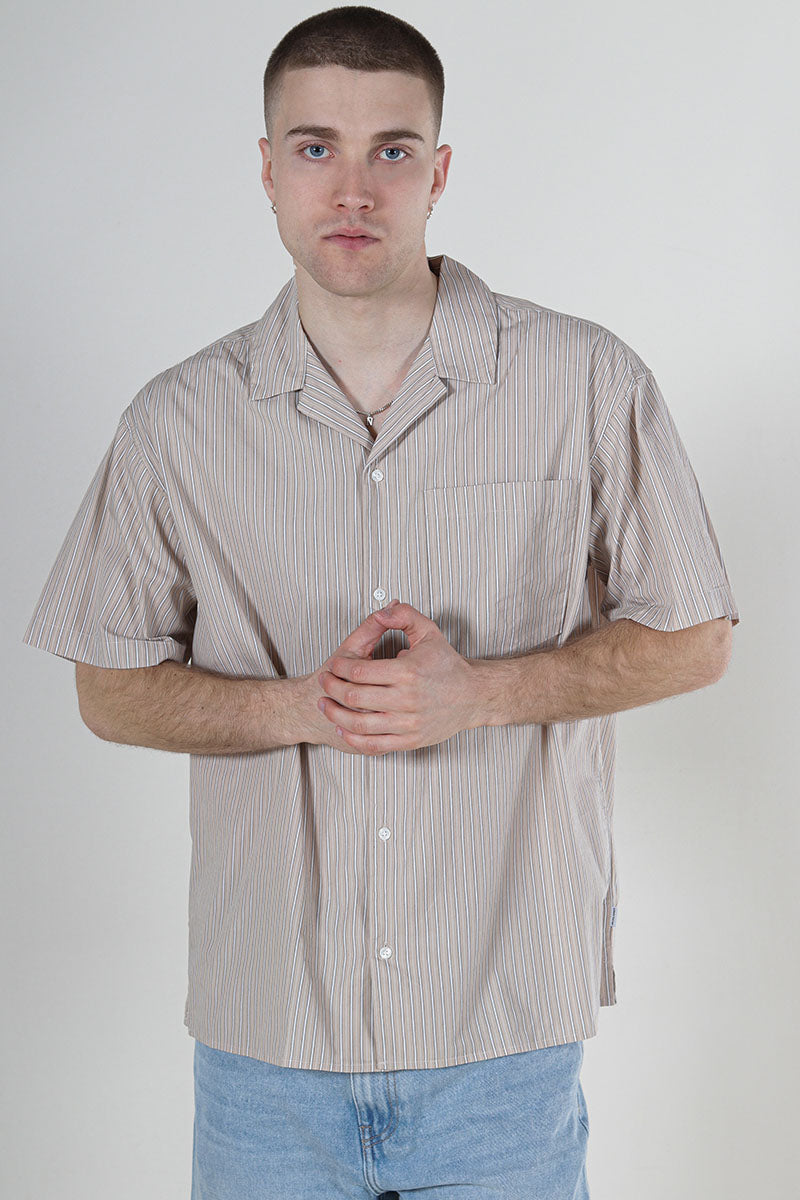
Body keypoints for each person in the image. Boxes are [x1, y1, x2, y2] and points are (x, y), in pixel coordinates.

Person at [22, 6, 740, 1198]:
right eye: (315, 148)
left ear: (438, 171)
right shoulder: (177, 421)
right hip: (266, 1048)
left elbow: (695, 638)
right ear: (266, 168)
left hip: (502, 1038)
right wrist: (306, 707)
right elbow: (108, 688)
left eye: (390, 151)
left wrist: (478, 695)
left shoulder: (582, 379)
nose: (352, 189)